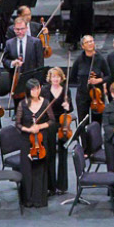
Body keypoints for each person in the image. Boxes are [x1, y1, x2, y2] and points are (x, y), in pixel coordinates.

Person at [16, 79, 51, 208]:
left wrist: (40, 126)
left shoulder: (46, 103)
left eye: (37, 88)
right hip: (27, 140)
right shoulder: (22, 104)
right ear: (28, 91)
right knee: (27, 170)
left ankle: (39, 199)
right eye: (33, 89)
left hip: (41, 139)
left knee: (39, 169)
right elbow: (18, 124)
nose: (36, 91)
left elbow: (52, 121)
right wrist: (29, 129)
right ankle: (28, 199)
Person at [69, 35, 110, 124]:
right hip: (82, 95)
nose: (90, 43)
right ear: (83, 46)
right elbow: (72, 77)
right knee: (83, 122)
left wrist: (98, 80)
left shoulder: (100, 58)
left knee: (97, 122)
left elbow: (108, 76)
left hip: (97, 95)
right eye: (87, 42)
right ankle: (84, 138)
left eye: (92, 41)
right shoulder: (79, 60)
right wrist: (82, 82)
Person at [45, 67, 72, 195]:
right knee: (49, 153)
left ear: (62, 78)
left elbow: (70, 108)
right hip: (50, 123)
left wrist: (68, 106)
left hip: (63, 123)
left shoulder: (67, 91)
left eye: (58, 77)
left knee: (63, 153)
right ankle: (50, 186)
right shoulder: (45, 90)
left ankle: (62, 185)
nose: (55, 79)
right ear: (50, 78)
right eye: (53, 77)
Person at [3, 17, 46, 86]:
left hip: (32, 79)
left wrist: (38, 81)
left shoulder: (36, 42)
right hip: (15, 79)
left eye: (22, 29)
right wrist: (12, 63)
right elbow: (4, 60)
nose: (20, 31)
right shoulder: (9, 43)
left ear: (26, 28)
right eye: (17, 29)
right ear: (14, 29)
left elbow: (40, 63)